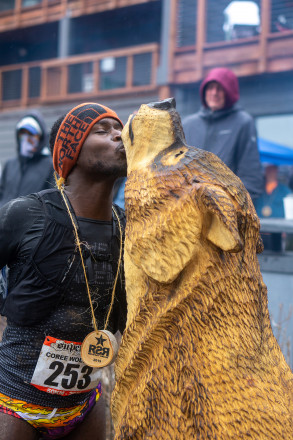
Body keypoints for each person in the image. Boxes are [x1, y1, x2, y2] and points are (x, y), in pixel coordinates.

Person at [0, 102, 127, 440]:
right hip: (14, 405)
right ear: (70, 151)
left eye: (120, 128)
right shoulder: (25, 214)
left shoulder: (128, 227)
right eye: (103, 130)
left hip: (85, 406)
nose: (119, 134)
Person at [182, 67, 264, 203]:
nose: (214, 93)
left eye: (220, 88)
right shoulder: (188, 124)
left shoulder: (243, 122)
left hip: (224, 209)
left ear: (230, 92)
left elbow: (251, 175)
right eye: (210, 88)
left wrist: (234, 206)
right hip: (189, 208)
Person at [0, 110, 55, 207]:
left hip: (32, 221)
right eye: (23, 133)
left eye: (31, 134)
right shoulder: (10, 164)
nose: (26, 138)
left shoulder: (50, 165)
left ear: (40, 137)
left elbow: (52, 202)